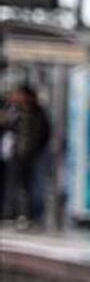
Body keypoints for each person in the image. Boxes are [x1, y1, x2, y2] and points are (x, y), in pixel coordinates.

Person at [1, 84, 52, 228]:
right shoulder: (14, 111)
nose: (16, 98)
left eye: (19, 94)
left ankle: (30, 215)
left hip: (32, 155)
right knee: (13, 184)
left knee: (31, 185)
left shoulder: (38, 113)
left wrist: (37, 150)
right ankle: (11, 213)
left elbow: (45, 132)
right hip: (15, 154)